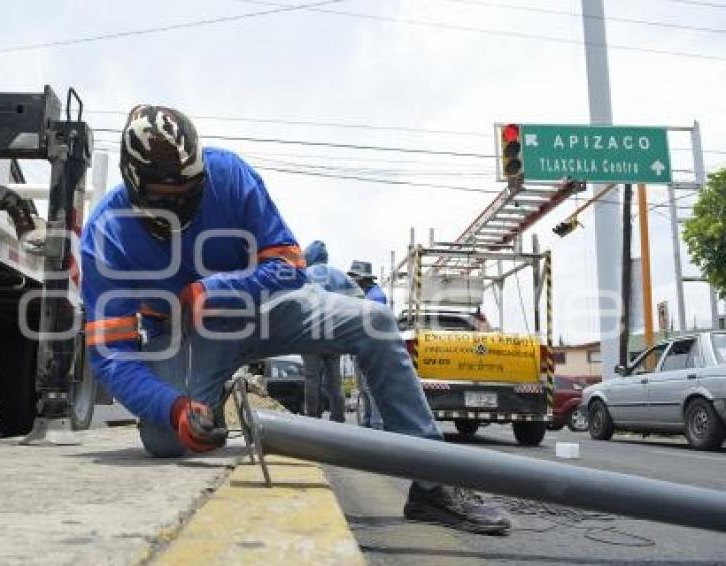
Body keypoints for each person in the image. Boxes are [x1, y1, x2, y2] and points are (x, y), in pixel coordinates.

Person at [80, 104, 511, 534]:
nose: (181, 205)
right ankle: (204, 400)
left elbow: (289, 265)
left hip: (268, 308)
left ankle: (434, 486)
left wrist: (212, 291)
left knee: (376, 323)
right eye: (166, 197)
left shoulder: (227, 174)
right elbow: (112, 356)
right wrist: (172, 409)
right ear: (135, 182)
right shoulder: (106, 236)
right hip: (190, 337)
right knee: (163, 441)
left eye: (189, 192)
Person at [301, 241, 362, 422]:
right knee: (335, 382)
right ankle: (338, 418)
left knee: (312, 379)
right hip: (334, 335)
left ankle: (312, 418)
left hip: (309, 335)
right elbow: (359, 297)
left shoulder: (303, 275)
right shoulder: (338, 275)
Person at [348, 260, 386, 430]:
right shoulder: (365, 294)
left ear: (362, 278)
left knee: (371, 388)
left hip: (371, 347)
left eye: (354, 277)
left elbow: (372, 325)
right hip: (361, 347)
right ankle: (367, 422)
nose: (352, 281)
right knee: (364, 388)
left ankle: (376, 425)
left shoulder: (376, 296)